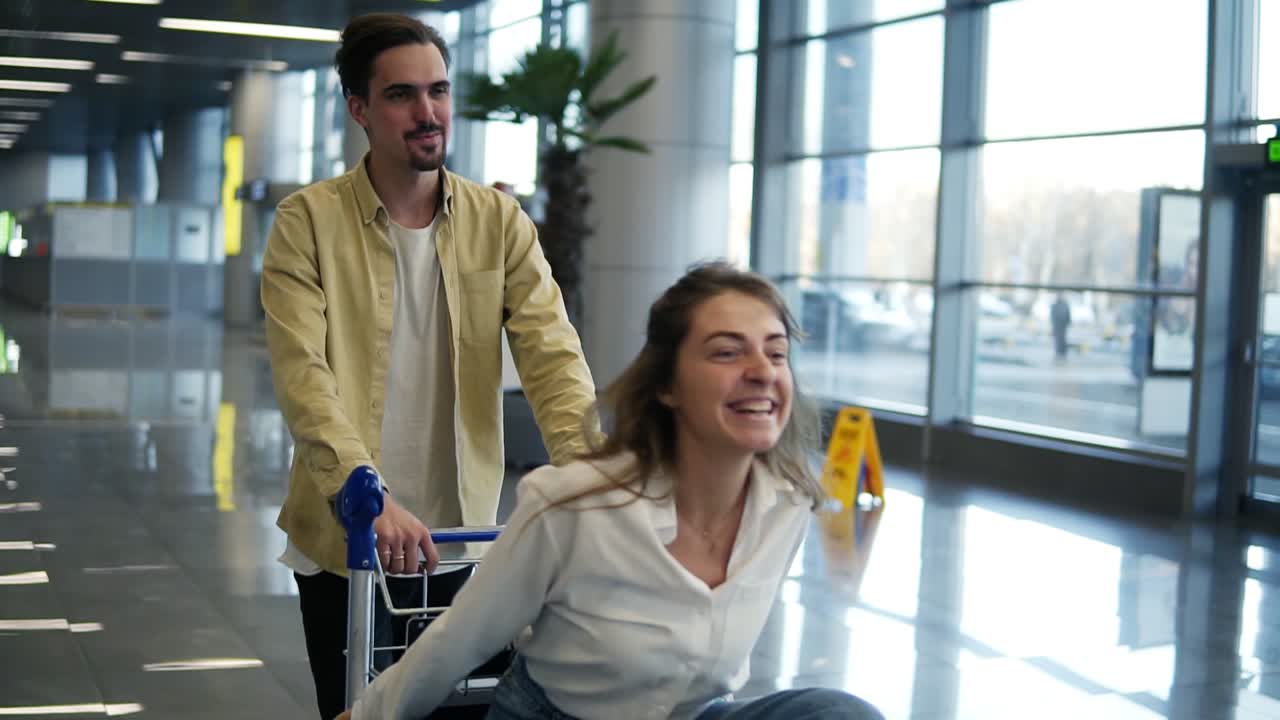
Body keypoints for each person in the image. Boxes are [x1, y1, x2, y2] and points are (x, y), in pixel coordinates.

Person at [340, 262, 884, 720]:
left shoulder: (786, 506)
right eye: (727, 352)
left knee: (840, 714)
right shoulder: (576, 505)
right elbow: (459, 640)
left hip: (688, 713)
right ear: (667, 385)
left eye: (777, 353)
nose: (762, 371)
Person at [260, 13, 596, 720]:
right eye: (401, 95)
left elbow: (553, 356)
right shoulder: (307, 223)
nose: (428, 111)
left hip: (465, 547)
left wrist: (592, 478)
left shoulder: (498, 223)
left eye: (438, 90)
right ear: (359, 109)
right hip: (348, 544)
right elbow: (303, 374)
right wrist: (364, 491)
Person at [1050, 294, 1071, 359]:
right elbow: (1052, 316)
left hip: (1062, 325)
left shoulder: (1064, 305)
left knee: (1061, 339)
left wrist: (1067, 322)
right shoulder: (1055, 305)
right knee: (1058, 339)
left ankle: (1062, 352)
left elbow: (1068, 315)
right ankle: (1059, 352)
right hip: (1058, 325)